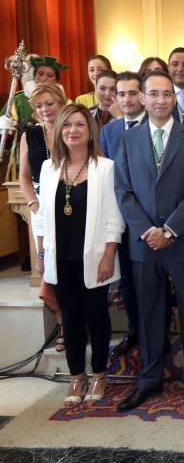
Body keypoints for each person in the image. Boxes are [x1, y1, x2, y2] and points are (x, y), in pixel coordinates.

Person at [114, 70, 184, 415]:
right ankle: (149, 379)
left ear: (174, 98)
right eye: (153, 94)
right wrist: (147, 230)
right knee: (149, 314)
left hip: (181, 242)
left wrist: (169, 230)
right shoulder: (127, 140)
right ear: (142, 98)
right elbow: (123, 192)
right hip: (143, 245)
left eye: (167, 94)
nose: (160, 100)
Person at [33, 104, 125, 407]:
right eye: (67, 125)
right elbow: (42, 217)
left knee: (96, 316)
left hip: (94, 257)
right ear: (59, 131)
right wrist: (41, 254)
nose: (73, 130)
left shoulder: (105, 167)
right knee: (70, 318)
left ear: (90, 131)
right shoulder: (49, 168)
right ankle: (76, 375)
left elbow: (114, 216)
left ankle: (99, 373)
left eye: (80, 125)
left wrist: (109, 255)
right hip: (59, 258)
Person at [99, 71, 148, 357]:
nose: (127, 99)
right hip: (122, 218)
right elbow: (106, 177)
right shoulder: (110, 132)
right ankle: (135, 331)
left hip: (152, 219)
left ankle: (158, 333)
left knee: (153, 282)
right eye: (121, 94)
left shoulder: (156, 125)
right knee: (128, 280)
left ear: (142, 95)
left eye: (132, 93)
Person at [19, 83, 68, 351]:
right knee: (46, 266)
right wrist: (34, 204)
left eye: (50, 103)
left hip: (72, 203)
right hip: (41, 205)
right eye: (39, 106)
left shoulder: (72, 127)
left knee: (72, 264)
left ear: (61, 102)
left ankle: (78, 322)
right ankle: (62, 324)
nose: (45, 110)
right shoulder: (30, 134)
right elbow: (24, 177)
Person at [2, 55, 68, 127]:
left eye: (49, 75)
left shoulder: (66, 103)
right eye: (41, 74)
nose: (44, 78)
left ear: (56, 81)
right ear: (34, 76)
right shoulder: (18, 100)